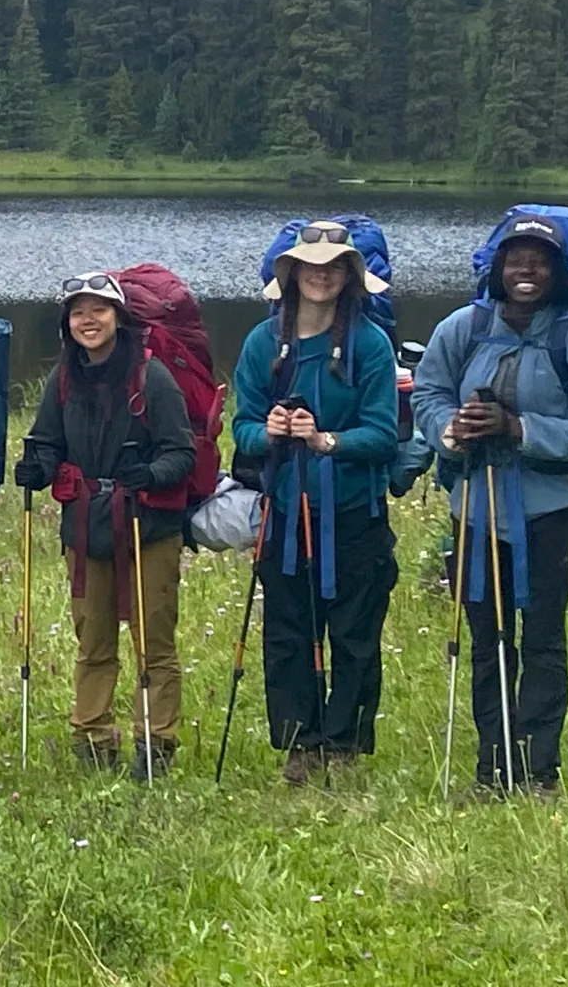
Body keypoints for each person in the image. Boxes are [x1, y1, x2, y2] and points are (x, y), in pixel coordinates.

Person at [412, 215, 568, 800]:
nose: (526, 270)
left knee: (544, 639)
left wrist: (520, 428)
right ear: (497, 270)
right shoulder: (463, 328)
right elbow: (428, 394)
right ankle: (491, 770)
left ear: (559, 272)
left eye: (540, 261)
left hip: (548, 511)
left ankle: (538, 771)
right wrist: (450, 430)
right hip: (475, 506)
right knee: (487, 640)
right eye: (514, 260)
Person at [231, 221, 400, 786]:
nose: (321, 275)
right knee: (288, 631)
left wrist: (327, 441)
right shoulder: (262, 343)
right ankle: (300, 743)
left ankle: (345, 742)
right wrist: (272, 432)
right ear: (292, 272)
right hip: (286, 512)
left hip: (354, 514)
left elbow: (383, 434)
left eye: (333, 266)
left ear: (349, 276)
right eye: (311, 265)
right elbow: (243, 429)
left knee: (353, 631)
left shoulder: (370, 345)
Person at [12, 271, 194, 779]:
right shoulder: (64, 379)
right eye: (77, 312)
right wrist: (37, 467)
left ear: (119, 317)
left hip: (148, 524)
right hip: (86, 526)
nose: (88, 320)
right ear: (67, 324)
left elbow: (181, 451)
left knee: (152, 638)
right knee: (92, 638)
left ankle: (155, 744)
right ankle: (92, 737)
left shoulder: (151, 377)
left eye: (99, 310)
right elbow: (46, 440)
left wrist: (149, 475)